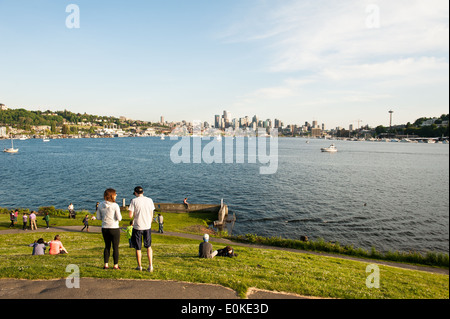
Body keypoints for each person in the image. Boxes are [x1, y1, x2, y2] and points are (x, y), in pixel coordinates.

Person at [128, 186, 155, 272]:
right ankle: (150, 265)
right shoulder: (149, 200)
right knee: (148, 246)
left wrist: (135, 214)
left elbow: (130, 215)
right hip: (147, 226)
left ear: (135, 193)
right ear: (142, 192)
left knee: (138, 248)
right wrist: (150, 221)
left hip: (137, 226)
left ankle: (139, 266)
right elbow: (151, 213)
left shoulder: (134, 201)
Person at [97, 188, 122, 270]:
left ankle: (106, 264)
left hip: (105, 227)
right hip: (114, 227)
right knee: (115, 247)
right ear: (112, 196)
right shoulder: (115, 205)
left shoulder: (100, 205)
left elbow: (98, 217)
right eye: (115, 194)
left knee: (107, 246)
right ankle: (115, 265)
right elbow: (119, 218)